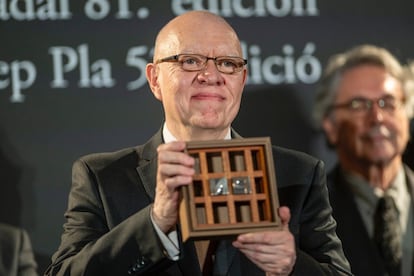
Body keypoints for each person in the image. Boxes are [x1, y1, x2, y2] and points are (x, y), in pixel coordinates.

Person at [45, 10, 351, 276]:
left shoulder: (298, 174)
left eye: (228, 63)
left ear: (241, 80)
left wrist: (291, 266)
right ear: (154, 79)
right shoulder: (101, 177)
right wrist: (155, 223)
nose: (211, 75)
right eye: (189, 61)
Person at [313, 44, 414, 276]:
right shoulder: (310, 212)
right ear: (330, 125)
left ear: (406, 114)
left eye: (388, 102)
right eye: (359, 105)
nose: (377, 117)